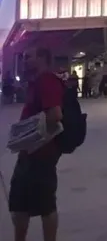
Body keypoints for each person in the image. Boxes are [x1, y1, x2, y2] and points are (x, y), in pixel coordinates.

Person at [8, 47, 64, 241]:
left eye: (28, 57)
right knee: (19, 204)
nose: (24, 60)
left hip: (41, 154)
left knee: (45, 205)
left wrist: (30, 135)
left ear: (42, 58)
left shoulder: (47, 81)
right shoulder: (36, 82)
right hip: (29, 153)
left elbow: (55, 115)